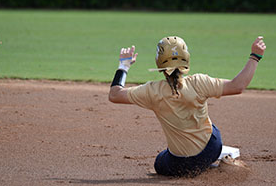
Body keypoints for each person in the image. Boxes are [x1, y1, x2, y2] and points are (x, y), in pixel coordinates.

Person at [108, 35, 266, 177]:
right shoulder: (199, 82)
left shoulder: (151, 91)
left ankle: (201, 165)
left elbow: (115, 94)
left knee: (160, 162)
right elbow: (238, 86)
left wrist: (124, 66)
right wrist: (255, 56)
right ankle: (211, 161)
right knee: (211, 127)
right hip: (212, 149)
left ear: (159, 61)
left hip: (182, 165)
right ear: (186, 57)